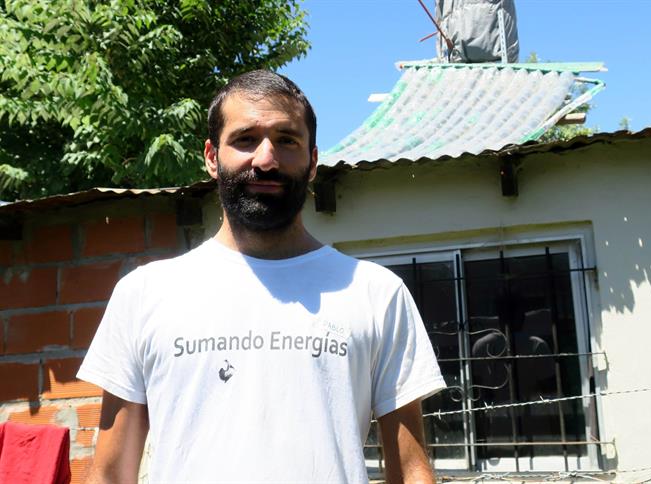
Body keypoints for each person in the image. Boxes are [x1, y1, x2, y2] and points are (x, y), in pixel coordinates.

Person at [78, 70, 445, 483]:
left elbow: (412, 469)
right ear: (212, 158)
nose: (266, 159)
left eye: (287, 140)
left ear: (312, 162)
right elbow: (109, 473)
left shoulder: (376, 293)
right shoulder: (145, 294)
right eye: (245, 139)